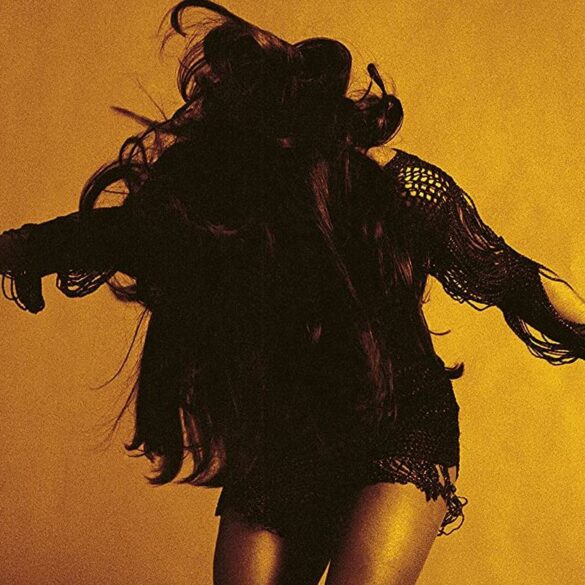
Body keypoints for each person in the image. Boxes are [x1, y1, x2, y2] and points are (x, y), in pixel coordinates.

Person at [1, 1, 585, 583]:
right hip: (284, 436)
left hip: (400, 421)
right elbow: (78, 238)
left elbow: (519, 279)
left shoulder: (391, 187)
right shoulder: (212, 205)